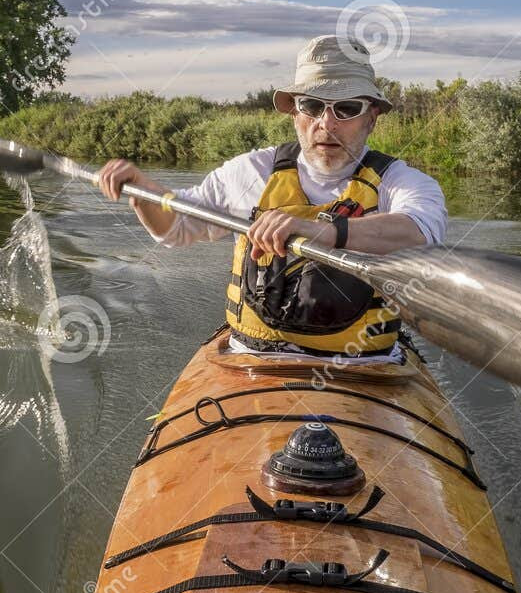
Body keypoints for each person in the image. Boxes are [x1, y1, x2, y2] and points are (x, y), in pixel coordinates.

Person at [96, 35, 447, 362]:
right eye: (311, 106)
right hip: (252, 361)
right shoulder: (249, 171)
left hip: (367, 368)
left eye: (346, 108)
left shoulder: (403, 183)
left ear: (371, 117)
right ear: (294, 113)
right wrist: (142, 194)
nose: (326, 124)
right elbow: (175, 228)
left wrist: (320, 231)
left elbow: (420, 232)